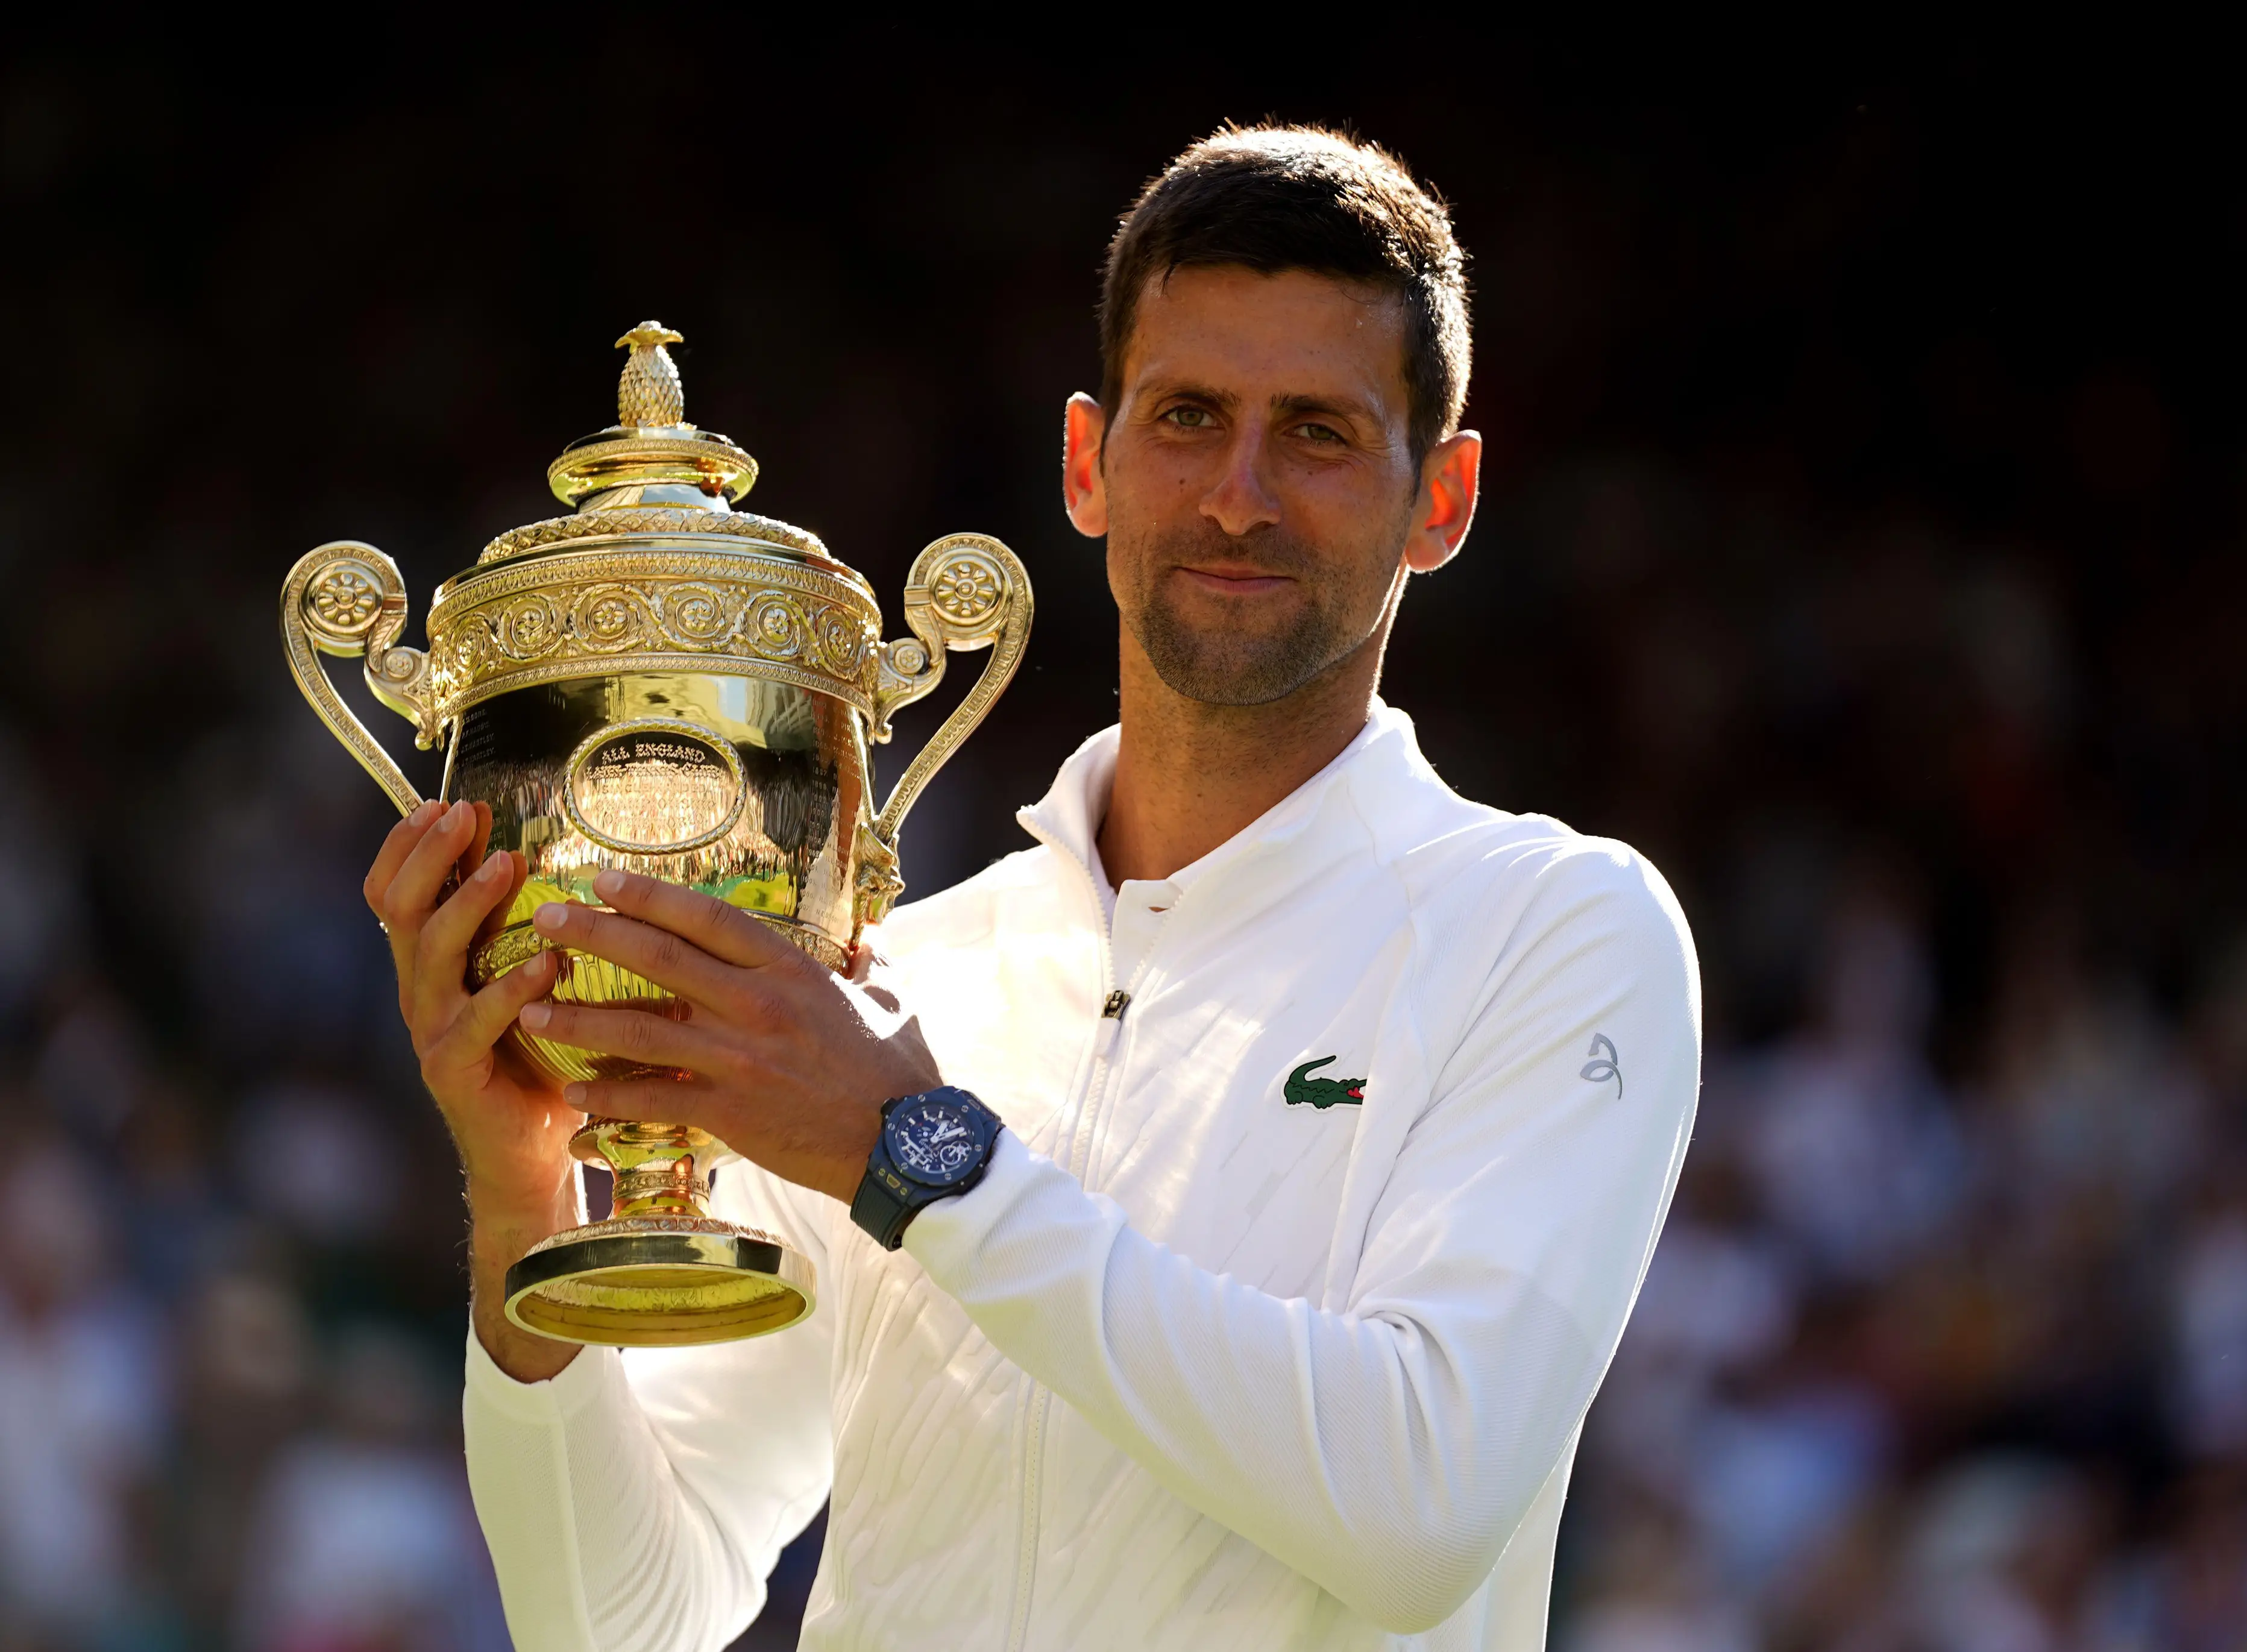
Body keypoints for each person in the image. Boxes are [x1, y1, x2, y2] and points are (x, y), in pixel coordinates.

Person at [368, 125, 1702, 1651]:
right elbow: (614, 1618)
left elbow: (1421, 1505)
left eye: (1319, 432)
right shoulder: (896, 984)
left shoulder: (1559, 930)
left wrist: (915, 1158)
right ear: (1088, 462)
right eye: (1187, 417)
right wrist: (525, 1194)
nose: (1240, 495)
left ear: (1442, 498)